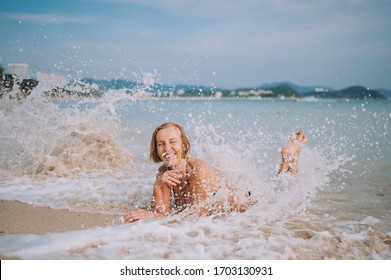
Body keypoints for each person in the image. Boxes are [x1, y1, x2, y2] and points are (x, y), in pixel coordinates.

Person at [124, 122, 307, 223]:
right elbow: (160, 212)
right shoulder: (164, 172)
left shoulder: (198, 170)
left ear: (184, 146)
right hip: (227, 207)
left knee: (283, 194)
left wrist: (154, 216)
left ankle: (289, 156)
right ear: (156, 150)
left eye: (173, 142)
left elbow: (194, 216)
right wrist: (158, 184)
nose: (167, 148)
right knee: (281, 189)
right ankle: (289, 157)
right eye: (161, 144)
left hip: (250, 204)